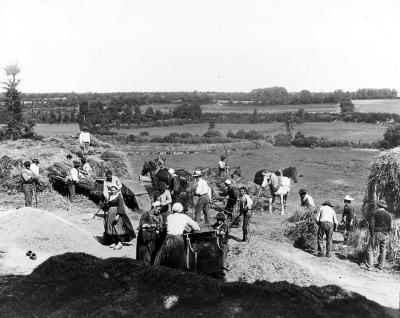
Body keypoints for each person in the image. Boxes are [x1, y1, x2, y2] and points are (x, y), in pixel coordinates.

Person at [154, 202, 200, 269]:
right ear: (181, 209)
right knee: (178, 260)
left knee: (164, 260)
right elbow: (197, 228)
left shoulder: (169, 217)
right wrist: (190, 231)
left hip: (168, 239)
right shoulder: (184, 217)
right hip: (178, 239)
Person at [103, 185, 136, 250]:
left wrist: (118, 215)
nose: (112, 191)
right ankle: (115, 242)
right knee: (112, 228)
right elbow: (108, 205)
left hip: (116, 213)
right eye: (111, 190)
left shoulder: (119, 197)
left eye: (114, 190)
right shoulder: (110, 197)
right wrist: (106, 210)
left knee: (117, 228)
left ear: (117, 190)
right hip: (110, 214)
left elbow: (121, 206)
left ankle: (120, 243)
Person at [366, 200, 393, 270]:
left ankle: (370, 265)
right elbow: (390, 226)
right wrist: (388, 233)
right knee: (383, 250)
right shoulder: (389, 215)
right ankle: (381, 265)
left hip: (376, 233)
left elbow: (371, 224)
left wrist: (371, 233)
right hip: (385, 234)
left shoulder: (375, 213)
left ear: (378, 206)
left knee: (370, 249)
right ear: (384, 207)